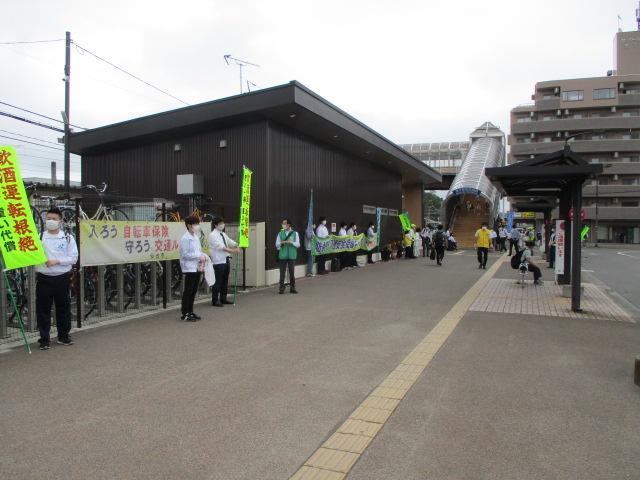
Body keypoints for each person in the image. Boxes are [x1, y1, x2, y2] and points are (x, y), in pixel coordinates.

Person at [35, 208, 79, 350]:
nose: (50, 221)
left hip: (61, 278)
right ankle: (44, 338)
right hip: (44, 278)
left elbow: (73, 257)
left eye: (54, 219)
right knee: (43, 309)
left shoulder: (67, 237)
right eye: (48, 218)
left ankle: (63, 336)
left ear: (60, 221)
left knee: (63, 307)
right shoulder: (39, 237)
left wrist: (56, 261)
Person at [179, 215, 208, 321]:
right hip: (189, 267)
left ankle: (190, 311)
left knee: (194, 290)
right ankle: (185, 313)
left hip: (197, 266)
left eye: (198, 224)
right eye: (195, 224)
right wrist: (197, 256)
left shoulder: (195, 237)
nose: (197, 226)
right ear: (189, 225)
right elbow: (185, 254)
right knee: (188, 291)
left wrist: (204, 255)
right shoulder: (185, 238)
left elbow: (198, 251)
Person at [209, 216, 240, 307]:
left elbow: (228, 241)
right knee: (218, 281)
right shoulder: (213, 235)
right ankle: (215, 300)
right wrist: (233, 251)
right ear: (215, 225)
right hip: (218, 260)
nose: (222, 225)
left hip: (226, 259)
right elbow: (220, 247)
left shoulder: (222, 233)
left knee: (225, 280)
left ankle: (223, 298)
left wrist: (235, 244)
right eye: (220, 223)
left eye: (223, 223)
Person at [276, 219, 300, 294]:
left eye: (284, 224)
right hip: (283, 255)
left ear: (288, 225)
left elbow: (298, 244)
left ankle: (292, 287)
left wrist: (291, 242)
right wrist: (281, 243)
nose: (283, 225)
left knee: (292, 272)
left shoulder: (295, 233)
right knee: (282, 273)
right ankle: (281, 288)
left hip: (292, 255)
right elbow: (276, 244)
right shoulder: (280, 233)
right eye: (282, 223)